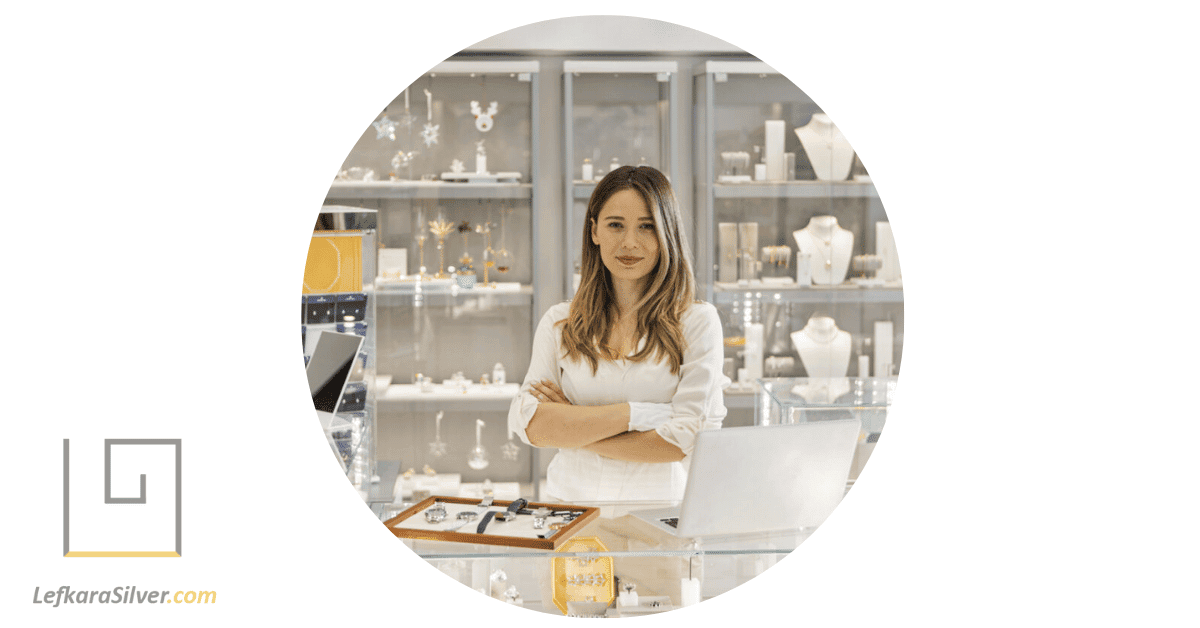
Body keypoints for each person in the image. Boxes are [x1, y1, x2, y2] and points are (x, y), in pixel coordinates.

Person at [507, 165, 729, 503]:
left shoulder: (697, 322)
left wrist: (572, 427)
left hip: (659, 518)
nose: (629, 243)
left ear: (666, 233)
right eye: (615, 225)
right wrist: (641, 415)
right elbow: (531, 425)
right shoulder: (560, 322)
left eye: (646, 227)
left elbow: (683, 440)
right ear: (594, 231)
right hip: (570, 513)